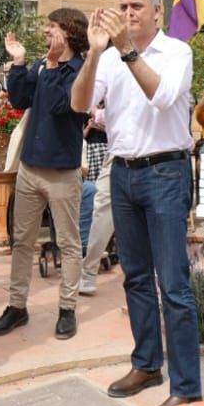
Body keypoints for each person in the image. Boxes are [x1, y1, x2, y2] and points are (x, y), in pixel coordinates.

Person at [71, 0, 201, 406]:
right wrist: (93, 52)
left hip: (165, 172)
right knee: (137, 278)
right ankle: (147, 364)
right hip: (123, 173)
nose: (128, 14)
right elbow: (79, 104)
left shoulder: (177, 52)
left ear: (156, 11)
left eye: (136, 6)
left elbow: (163, 97)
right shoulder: (107, 57)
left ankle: (185, 386)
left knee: (174, 284)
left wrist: (126, 50)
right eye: (123, 6)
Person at [0, 9, 89, 341]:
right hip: (30, 169)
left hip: (62, 172)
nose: (46, 31)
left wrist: (47, 66)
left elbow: (64, 105)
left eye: (52, 27)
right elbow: (19, 99)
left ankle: (67, 309)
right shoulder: (41, 65)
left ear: (69, 33)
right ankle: (17, 307)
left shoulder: (79, 70)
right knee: (22, 241)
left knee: (68, 243)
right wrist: (19, 64)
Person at [77, 105, 113, 295]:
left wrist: (95, 113)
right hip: (118, 154)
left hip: (155, 155)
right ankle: (89, 273)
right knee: (100, 206)